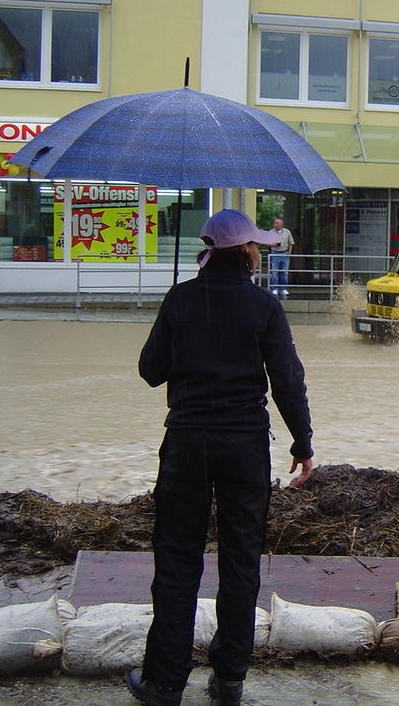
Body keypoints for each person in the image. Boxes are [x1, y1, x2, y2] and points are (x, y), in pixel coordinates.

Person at [127, 209, 315, 706]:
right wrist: (303, 443)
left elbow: (150, 371)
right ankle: (229, 678)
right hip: (244, 446)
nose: (258, 251)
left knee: (176, 559)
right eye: (255, 245)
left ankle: (164, 681)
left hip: (187, 443)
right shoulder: (264, 306)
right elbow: (287, 381)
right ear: (246, 252)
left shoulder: (180, 298)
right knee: (240, 560)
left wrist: (177, 318)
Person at [269, 217, 294, 299]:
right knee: (275, 272)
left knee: (284, 272)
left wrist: (289, 252)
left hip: (284, 253)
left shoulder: (287, 232)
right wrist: (274, 244)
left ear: (281, 224)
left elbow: (291, 243)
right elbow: (268, 243)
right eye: (275, 223)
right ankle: (274, 288)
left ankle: (283, 288)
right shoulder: (271, 232)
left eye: (276, 223)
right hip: (275, 253)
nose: (275, 224)